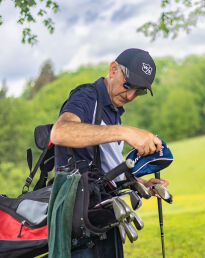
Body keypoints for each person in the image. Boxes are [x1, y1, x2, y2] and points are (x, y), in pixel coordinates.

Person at [50, 48, 169, 258]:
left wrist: (138, 182)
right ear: (113, 69)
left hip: (103, 222)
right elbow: (60, 132)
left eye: (139, 91)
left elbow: (105, 170)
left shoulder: (114, 112)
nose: (131, 95)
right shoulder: (87, 96)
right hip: (79, 230)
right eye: (128, 85)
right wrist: (125, 132)